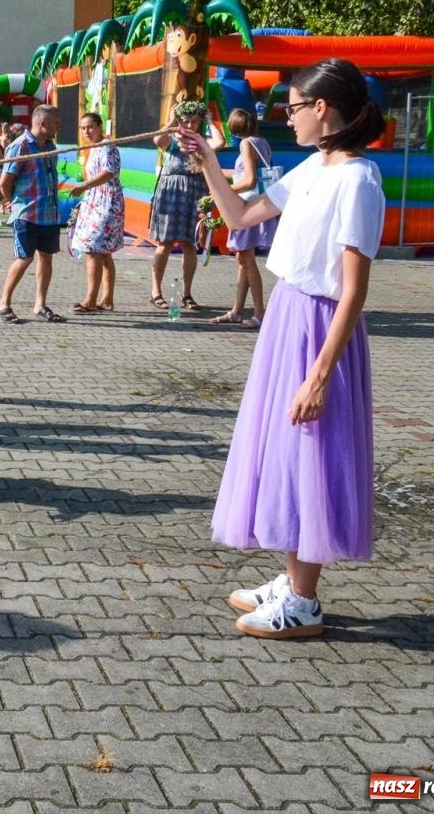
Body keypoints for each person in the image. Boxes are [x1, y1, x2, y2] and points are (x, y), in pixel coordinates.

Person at [177, 57, 386, 640]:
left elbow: (352, 292)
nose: (285, 118)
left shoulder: (357, 180)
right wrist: (209, 164)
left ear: (322, 109)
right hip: (288, 318)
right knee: (286, 450)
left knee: (312, 454)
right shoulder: (314, 167)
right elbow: (242, 214)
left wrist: (320, 375)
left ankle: (304, 600)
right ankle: (292, 578)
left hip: (320, 328)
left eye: (292, 107)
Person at [0, 104, 64, 325]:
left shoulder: (51, 146)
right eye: (55, 122)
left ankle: (40, 304)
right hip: (27, 214)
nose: (58, 126)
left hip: (49, 214)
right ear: (42, 123)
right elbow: (5, 181)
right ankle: (4, 303)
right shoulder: (20, 146)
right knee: (24, 258)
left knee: (46, 257)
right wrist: (12, 202)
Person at [211, 108, 278, 329]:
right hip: (257, 203)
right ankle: (237, 310)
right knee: (242, 261)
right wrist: (216, 172)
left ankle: (259, 313)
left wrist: (221, 193)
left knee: (247, 262)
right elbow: (245, 173)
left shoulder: (246, 144)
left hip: (246, 206)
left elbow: (248, 180)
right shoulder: (261, 142)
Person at [149, 101, 210, 313]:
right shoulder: (173, 140)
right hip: (171, 192)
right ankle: (155, 291)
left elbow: (220, 142)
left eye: (194, 121)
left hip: (194, 192)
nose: (190, 125)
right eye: (186, 121)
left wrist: (209, 119)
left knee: (190, 245)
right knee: (164, 243)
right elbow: (157, 139)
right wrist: (174, 119)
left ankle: (187, 293)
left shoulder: (201, 142)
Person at [66, 112, 125, 312]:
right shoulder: (92, 148)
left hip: (107, 202)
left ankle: (91, 300)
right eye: (83, 128)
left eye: (90, 127)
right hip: (93, 201)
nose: (87, 131)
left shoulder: (107, 146)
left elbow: (109, 172)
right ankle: (107, 299)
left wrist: (84, 185)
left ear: (100, 127)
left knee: (93, 250)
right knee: (102, 252)